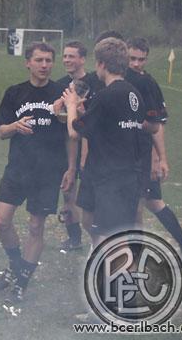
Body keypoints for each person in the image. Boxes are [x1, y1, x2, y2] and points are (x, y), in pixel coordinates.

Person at [0, 42, 77, 302]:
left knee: (35, 227)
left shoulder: (62, 94)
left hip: (48, 172)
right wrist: (15, 126)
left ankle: (21, 282)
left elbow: (71, 136)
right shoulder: (14, 92)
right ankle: (15, 264)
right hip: (18, 168)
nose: (44, 65)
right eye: (39, 60)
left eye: (48, 60)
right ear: (28, 63)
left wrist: (71, 168)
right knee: (1, 221)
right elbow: (1, 131)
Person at [62, 37, 159, 247]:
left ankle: (117, 264)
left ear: (102, 64)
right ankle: (108, 259)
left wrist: (70, 106)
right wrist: (85, 114)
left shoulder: (105, 96)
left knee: (110, 237)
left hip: (112, 178)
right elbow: (112, 124)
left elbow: (74, 133)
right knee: (90, 222)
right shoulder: (133, 93)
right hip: (111, 173)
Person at [126, 37, 182, 264]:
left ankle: (136, 257)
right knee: (150, 202)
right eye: (132, 58)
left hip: (141, 156)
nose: (136, 64)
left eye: (141, 59)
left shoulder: (147, 83)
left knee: (139, 206)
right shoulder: (118, 78)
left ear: (146, 59)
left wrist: (159, 159)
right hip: (126, 153)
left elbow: (158, 124)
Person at [55, 41, 104, 252]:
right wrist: (57, 111)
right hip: (67, 145)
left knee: (88, 199)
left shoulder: (95, 82)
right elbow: (60, 117)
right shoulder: (60, 84)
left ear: (82, 59)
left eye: (71, 56)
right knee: (68, 193)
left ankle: (98, 238)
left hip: (89, 147)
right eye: (65, 56)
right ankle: (74, 238)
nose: (67, 60)